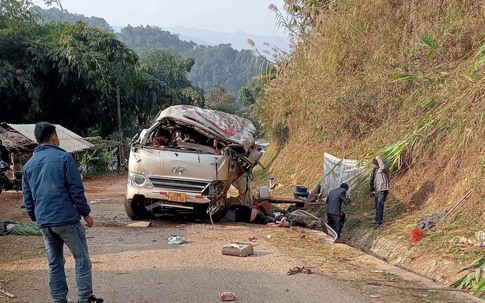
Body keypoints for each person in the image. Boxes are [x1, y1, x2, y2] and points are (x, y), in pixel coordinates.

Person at [22, 122, 103, 303]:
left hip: (44, 222)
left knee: (55, 263)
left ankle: (59, 300)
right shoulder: (64, 158)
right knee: (81, 258)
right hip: (66, 219)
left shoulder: (28, 165)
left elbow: (27, 198)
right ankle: (85, 298)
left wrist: (36, 217)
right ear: (53, 136)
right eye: (57, 135)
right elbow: (76, 190)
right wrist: (86, 214)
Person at [370, 156, 390, 229]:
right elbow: (372, 179)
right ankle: (376, 219)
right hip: (377, 190)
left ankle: (379, 222)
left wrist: (378, 158)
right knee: (376, 206)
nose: (373, 166)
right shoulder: (376, 170)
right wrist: (372, 190)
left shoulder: (383, 167)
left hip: (382, 189)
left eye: (374, 164)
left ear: (378, 163)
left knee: (379, 205)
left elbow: (383, 167)